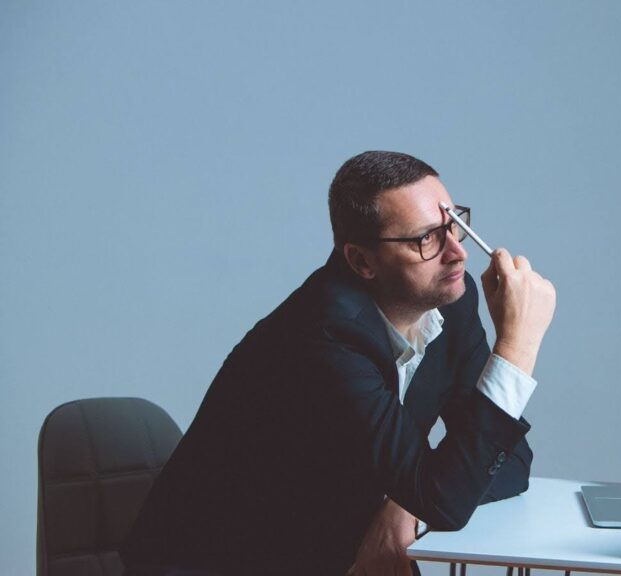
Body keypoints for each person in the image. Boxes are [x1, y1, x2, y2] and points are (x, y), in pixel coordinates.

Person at [120, 151, 557, 575]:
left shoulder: (450, 302)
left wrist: (406, 507)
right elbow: (449, 495)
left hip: (330, 545)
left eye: (454, 225)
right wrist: (516, 346)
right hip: (214, 561)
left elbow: (510, 460)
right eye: (425, 239)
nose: (456, 253)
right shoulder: (325, 333)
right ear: (361, 261)